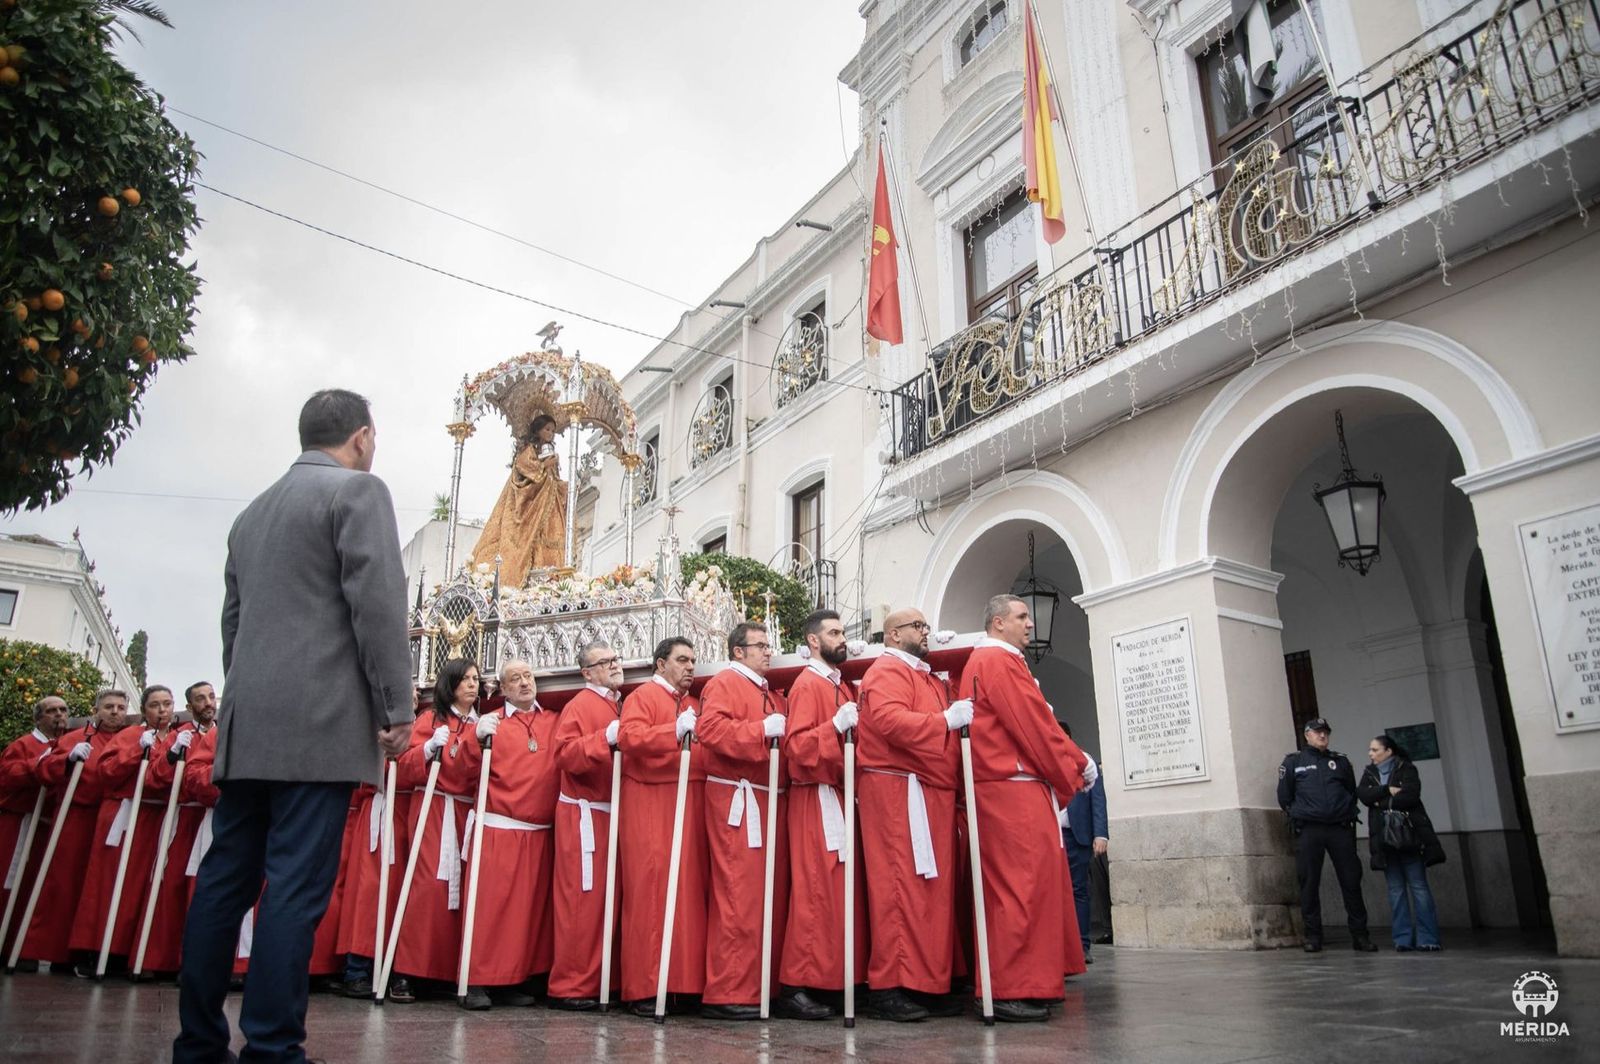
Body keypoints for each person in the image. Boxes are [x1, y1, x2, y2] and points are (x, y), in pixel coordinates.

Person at [174, 389, 415, 1064]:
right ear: (363, 437)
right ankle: (273, 1046)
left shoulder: (252, 515)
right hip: (321, 725)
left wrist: (250, 697)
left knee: (226, 880)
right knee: (295, 887)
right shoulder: (357, 494)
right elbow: (377, 604)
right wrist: (395, 706)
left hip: (249, 723)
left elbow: (233, 625)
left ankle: (196, 1041)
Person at [959, 595, 1092, 1021]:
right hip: (1009, 789)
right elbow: (1034, 725)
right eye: (1021, 617)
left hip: (1014, 787)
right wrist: (1076, 763)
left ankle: (1031, 980)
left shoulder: (999, 662)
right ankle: (1009, 987)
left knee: (1030, 887)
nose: (1030, 625)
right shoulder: (997, 662)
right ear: (998, 623)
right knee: (1018, 888)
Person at [856, 607, 963, 1023]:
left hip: (926, 790)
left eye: (926, 626)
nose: (926, 632)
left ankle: (925, 981)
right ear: (894, 635)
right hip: (899, 788)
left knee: (926, 892)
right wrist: (942, 721)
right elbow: (886, 719)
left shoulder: (923, 675)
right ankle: (890, 985)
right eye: (917, 626)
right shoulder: (887, 670)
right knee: (898, 886)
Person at [697, 622, 797, 1020]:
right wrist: (759, 731)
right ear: (738, 651)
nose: (767, 652)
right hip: (737, 798)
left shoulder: (766, 691)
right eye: (759, 646)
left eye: (768, 645)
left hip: (765, 796)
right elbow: (710, 729)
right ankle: (729, 989)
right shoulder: (724, 682)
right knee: (738, 893)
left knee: (762, 894)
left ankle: (759, 985)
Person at [449, 657, 557, 1010]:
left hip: (539, 831)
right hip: (499, 826)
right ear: (503, 688)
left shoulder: (553, 721)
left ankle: (512, 978)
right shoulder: (490, 724)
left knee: (526, 913)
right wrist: (472, 740)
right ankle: (476, 980)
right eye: (515, 679)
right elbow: (463, 770)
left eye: (529, 675)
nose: (525, 683)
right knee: (490, 909)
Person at [779, 609, 866, 1016]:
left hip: (836, 794)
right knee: (815, 889)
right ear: (813, 641)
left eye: (843, 631)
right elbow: (796, 748)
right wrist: (832, 728)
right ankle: (798, 984)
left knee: (834, 892)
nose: (841, 638)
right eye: (833, 633)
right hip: (815, 796)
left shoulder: (839, 685)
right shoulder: (807, 685)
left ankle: (829, 978)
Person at [616, 637, 708, 1016]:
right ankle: (645, 985)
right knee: (651, 891)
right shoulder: (643, 697)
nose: (690, 667)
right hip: (651, 800)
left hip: (684, 800)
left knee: (685, 892)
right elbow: (629, 737)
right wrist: (670, 731)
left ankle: (679, 983)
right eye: (681, 660)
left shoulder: (690, 703)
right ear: (660, 664)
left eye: (692, 660)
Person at [71, 684, 186, 972]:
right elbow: (106, 772)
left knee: (140, 888)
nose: (162, 710)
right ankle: (94, 948)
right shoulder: (131, 735)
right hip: (124, 813)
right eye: (155, 704)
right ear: (144, 710)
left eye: (167, 703)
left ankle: (125, 950)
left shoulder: (177, 739)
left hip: (157, 817)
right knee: (108, 882)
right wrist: (137, 750)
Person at [389, 659, 484, 998]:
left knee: (459, 892)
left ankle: (444, 970)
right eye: (465, 680)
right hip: (435, 809)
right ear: (451, 684)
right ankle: (407, 971)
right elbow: (401, 767)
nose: (472, 685)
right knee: (428, 886)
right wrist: (428, 749)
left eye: (476, 679)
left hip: (465, 811)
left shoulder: (480, 724)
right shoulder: (431, 719)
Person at [18, 689, 129, 969]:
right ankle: (52, 951)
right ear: (96, 710)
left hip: (110, 820)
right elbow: (44, 769)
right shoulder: (75, 739)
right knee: (64, 883)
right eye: (108, 707)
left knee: (97, 888)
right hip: (76, 817)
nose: (115, 712)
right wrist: (66, 760)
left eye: (120, 707)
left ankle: (86, 949)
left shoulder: (128, 739)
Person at [548, 644, 625, 1010]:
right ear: (587, 672)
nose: (614, 665)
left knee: (603, 902)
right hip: (585, 815)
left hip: (608, 812)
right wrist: (604, 739)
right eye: (605, 662)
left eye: (615, 659)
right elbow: (564, 754)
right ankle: (571, 985)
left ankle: (598, 980)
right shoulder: (580, 705)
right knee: (581, 901)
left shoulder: (616, 704)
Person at [1276, 717, 1377, 953]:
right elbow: (1284, 797)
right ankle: (1312, 936)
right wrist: (1300, 814)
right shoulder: (1294, 762)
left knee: (1351, 881)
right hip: (1309, 829)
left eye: (1325, 732)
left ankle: (1360, 936)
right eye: (1317, 732)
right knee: (1309, 883)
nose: (1322, 736)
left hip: (1339, 828)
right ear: (1307, 735)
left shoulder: (1339, 761)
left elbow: (1350, 789)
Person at [1357, 735, 1445, 953]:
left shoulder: (1406, 768)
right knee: (1395, 890)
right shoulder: (1370, 772)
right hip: (1385, 841)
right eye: (1370, 749)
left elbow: (1410, 797)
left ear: (1388, 751)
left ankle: (1428, 938)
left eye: (1375, 749)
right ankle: (1402, 939)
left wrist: (1381, 802)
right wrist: (1387, 790)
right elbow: (1364, 796)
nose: (1371, 754)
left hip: (1409, 838)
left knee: (1419, 888)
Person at [0, 695, 69, 963]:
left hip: (46, 826)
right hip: (19, 821)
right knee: (10, 879)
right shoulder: (25, 745)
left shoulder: (66, 745)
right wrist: (40, 764)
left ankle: (19, 946)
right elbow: (7, 775)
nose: (59, 715)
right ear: (38, 717)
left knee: (34, 884)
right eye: (52, 711)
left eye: (63, 710)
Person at [469, 412, 568, 585]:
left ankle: (546, 569)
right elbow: (523, 468)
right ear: (538, 431)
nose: (551, 433)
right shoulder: (529, 450)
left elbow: (554, 479)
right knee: (527, 538)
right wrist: (544, 465)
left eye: (553, 430)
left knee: (549, 535)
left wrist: (565, 485)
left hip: (548, 504)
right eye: (547, 429)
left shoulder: (550, 452)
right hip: (530, 504)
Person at [1060, 721, 1107, 966]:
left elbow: (1098, 800)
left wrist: (1101, 834)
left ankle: (1082, 945)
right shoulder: (1046, 758)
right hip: (1054, 837)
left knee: (1079, 891)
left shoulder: (1085, 761)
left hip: (1077, 835)